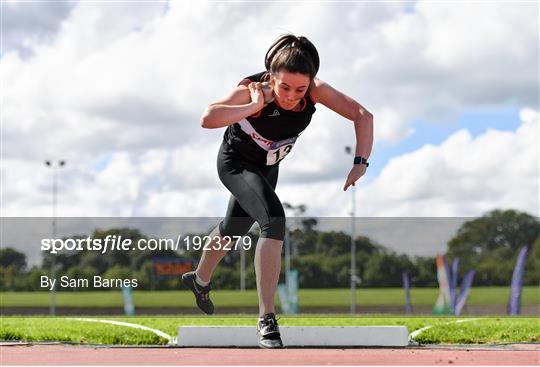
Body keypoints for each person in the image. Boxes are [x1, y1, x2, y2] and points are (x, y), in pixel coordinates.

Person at [182, 34, 374, 349]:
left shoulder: (314, 91)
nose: (290, 97)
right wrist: (255, 105)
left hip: (268, 167)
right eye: (284, 88)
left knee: (232, 229)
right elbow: (208, 118)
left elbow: (363, 116)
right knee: (274, 220)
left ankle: (199, 280)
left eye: (300, 90)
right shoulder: (253, 91)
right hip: (236, 163)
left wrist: (360, 163)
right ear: (272, 77)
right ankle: (267, 319)